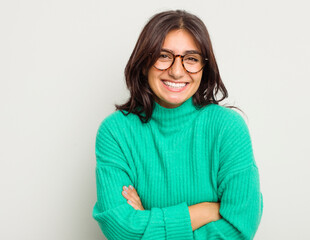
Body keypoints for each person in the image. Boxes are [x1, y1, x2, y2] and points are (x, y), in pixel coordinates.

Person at [92, 9, 263, 240]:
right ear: (144, 64)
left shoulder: (228, 128)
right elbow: (120, 230)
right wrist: (204, 211)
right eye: (163, 56)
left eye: (191, 59)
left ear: (204, 68)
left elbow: (241, 228)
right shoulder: (115, 132)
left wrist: (148, 220)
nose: (176, 71)